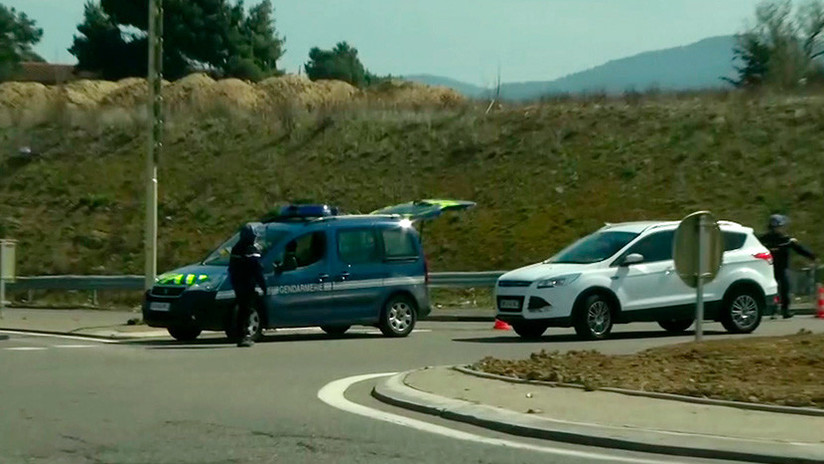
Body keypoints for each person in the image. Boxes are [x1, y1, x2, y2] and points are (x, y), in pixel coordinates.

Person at [758, 214, 817, 319]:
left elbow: (799, 248)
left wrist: (811, 255)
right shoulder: (765, 240)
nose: (782, 229)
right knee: (774, 289)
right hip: (769, 269)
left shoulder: (785, 239)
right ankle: (773, 309)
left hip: (780, 268)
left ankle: (784, 310)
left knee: (784, 288)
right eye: (780, 227)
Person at [228, 224, 267, 347]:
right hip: (247, 283)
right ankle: (243, 336)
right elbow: (256, 269)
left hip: (237, 282)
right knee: (245, 310)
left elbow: (232, 267)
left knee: (243, 309)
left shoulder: (236, 248)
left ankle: (242, 334)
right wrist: (263, 285)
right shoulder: (250, 249)